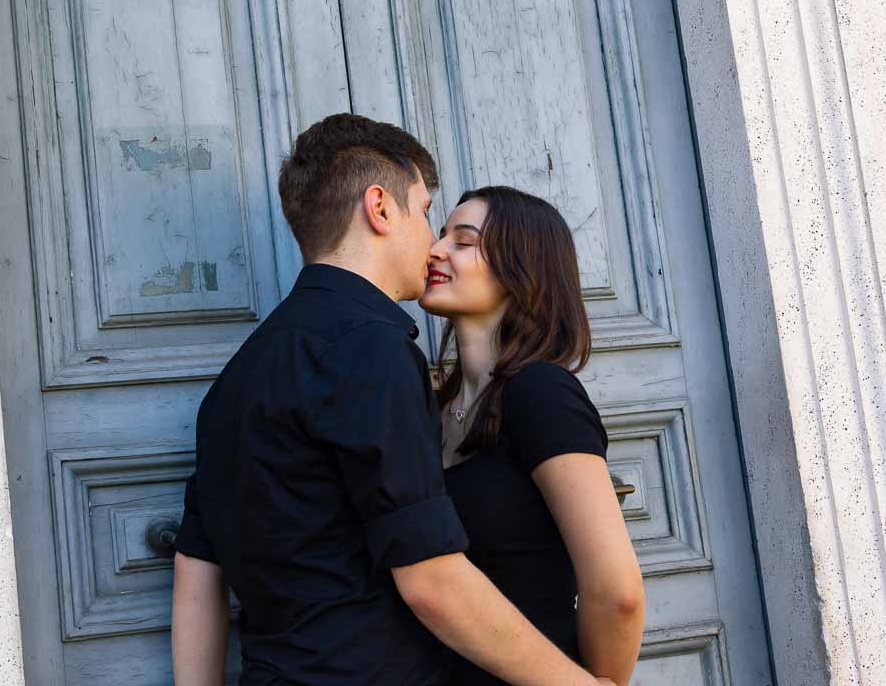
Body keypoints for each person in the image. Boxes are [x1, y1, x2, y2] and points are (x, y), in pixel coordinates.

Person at [171, 114, 612, 686]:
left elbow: (197, 572)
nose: (432, 242)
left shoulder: (237, 376)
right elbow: (430, 580)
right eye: (425, 211)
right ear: (380, 208)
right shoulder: (373, 349)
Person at [419, 186, 646, 686]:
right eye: (439, 236)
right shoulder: (432, 408)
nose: (433, 250)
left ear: (519, 267)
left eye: (463, 241)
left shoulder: (541, 393)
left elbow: (618, 592)